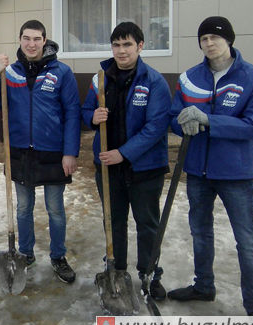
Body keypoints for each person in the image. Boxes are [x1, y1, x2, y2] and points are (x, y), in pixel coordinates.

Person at [166, 16, 253, 316]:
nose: (209, 43)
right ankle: (204, 286)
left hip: (235, 173)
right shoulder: (189, 78)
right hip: (198, 170)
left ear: (229, 40)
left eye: (215, 37)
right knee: (200, 232)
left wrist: (210, 121)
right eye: (204, 38)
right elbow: (174, 117)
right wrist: (180, 122)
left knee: (246, 241)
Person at [82, 22, 171, 300]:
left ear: (140, 46)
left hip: (145, 168)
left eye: (128, 44)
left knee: (146, 223)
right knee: (114, 221)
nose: (121, 51)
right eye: (116, 45)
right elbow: (85, 110)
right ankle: (117, 271)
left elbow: (156, 128)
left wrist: (124, 153)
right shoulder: (100, 79)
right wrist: (92, 118)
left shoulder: (154, 81)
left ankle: (148, 274)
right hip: (108, 168)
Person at [0, 20, 80, 284]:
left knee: (55, 209)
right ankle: (26, 253)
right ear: (19, 40)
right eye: (26, 38)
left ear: (45, 40)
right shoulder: (10, 73)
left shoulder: (61, 72)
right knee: (24, 208)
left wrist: (70, 152)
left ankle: (58, 256)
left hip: (52, 151)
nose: (31, 44)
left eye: (36, 39)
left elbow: (72, 113)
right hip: (19, 151)